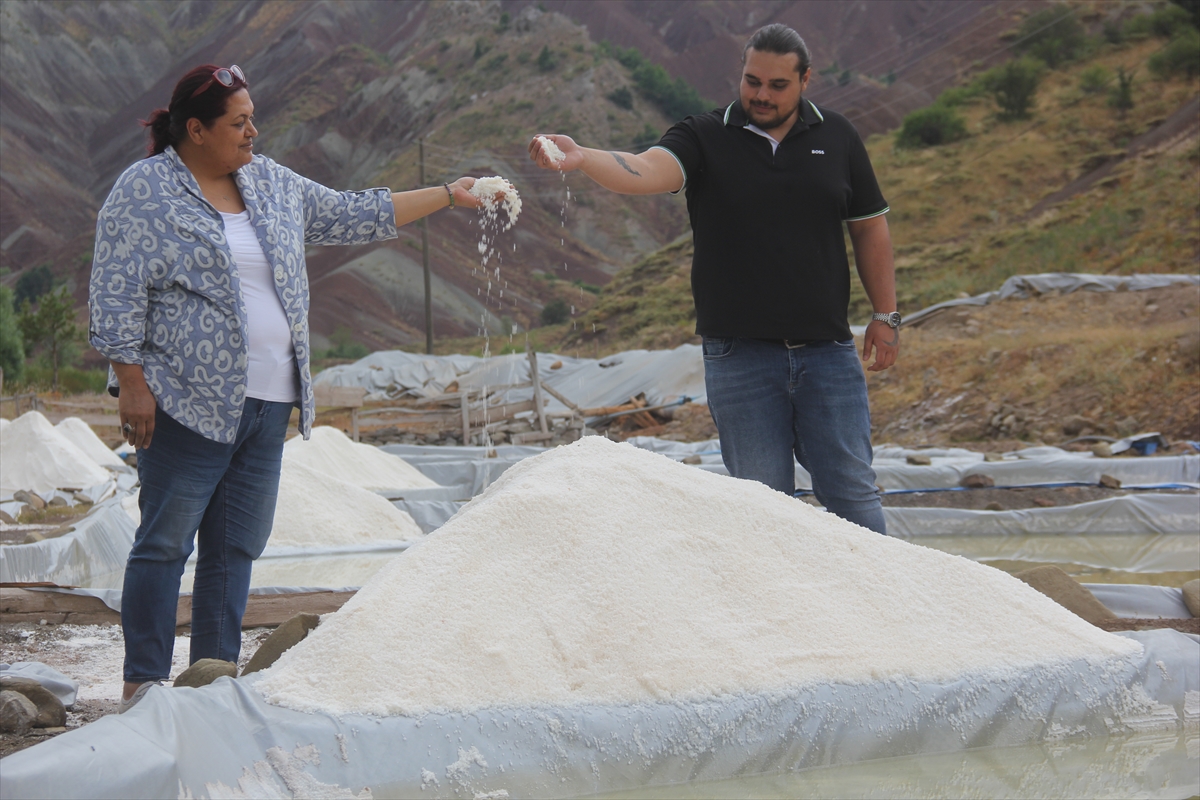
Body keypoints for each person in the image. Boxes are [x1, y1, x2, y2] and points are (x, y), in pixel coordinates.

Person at [89, 63, 484, 711]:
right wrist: (131, 382)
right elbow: (114, 290)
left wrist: (447, 192)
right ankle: (143, 689)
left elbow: (353, 213)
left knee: (235, 548)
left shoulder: (269, 181)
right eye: (239, 122)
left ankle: (212, 681)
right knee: (164, 543)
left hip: (269, 404)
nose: (253, 131)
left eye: (252, 118)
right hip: (184, 401)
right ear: (195, 129)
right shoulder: (145, 190)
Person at [529, 24, 898, 534]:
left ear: (806, 79)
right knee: (761, 505)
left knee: (853, 492)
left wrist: (885, 314)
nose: (760, 95)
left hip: (828, 352)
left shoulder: (838, 136)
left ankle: (880, 605)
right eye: (752, 81)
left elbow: (869, 229)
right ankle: (775, 607)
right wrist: (583, 158)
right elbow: (644, 168)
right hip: (740, 359)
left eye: (776, 85)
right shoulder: (704, 135)